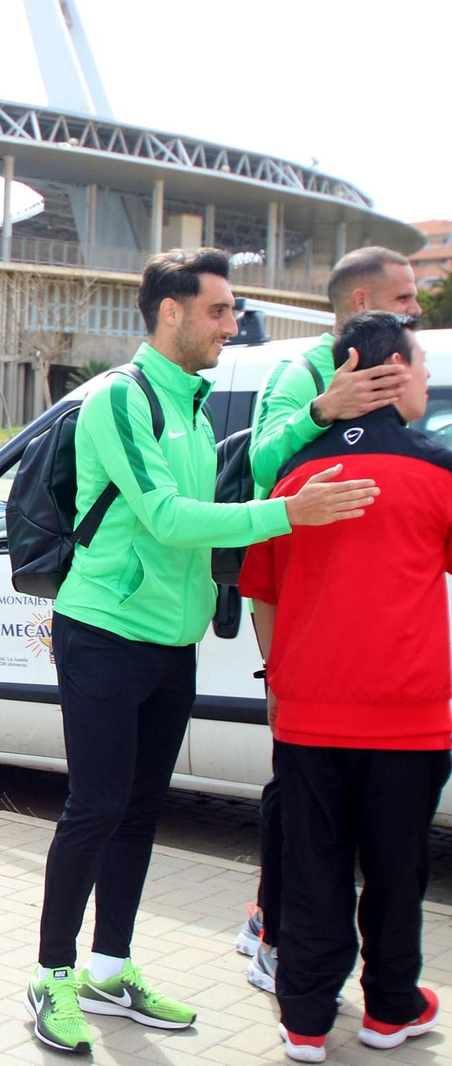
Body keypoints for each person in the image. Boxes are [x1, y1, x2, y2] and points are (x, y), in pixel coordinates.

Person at [26, 248, 381, 1055]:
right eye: (218, 310)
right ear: (171, 312)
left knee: (138, 811)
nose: (232, 324)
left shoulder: (193, 403)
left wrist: (315, 416)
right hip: (103, 632)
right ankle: (51, 975)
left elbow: (240, 473)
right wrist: (290, 515)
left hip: (169, 641)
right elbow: (167, 517)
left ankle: (108, 969)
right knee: (96, 808)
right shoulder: (122, 396)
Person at [241, 311, 447, 1063]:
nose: (427, 379)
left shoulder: (294, 477)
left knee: (313, 866)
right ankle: (390, 1009)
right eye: (421, 365)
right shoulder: (438, 469)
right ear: (388, 370)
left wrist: (278, 682)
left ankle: (305, 1020)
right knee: (397, 870)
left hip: (308, 713)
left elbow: (262, 593)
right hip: (409, 714)